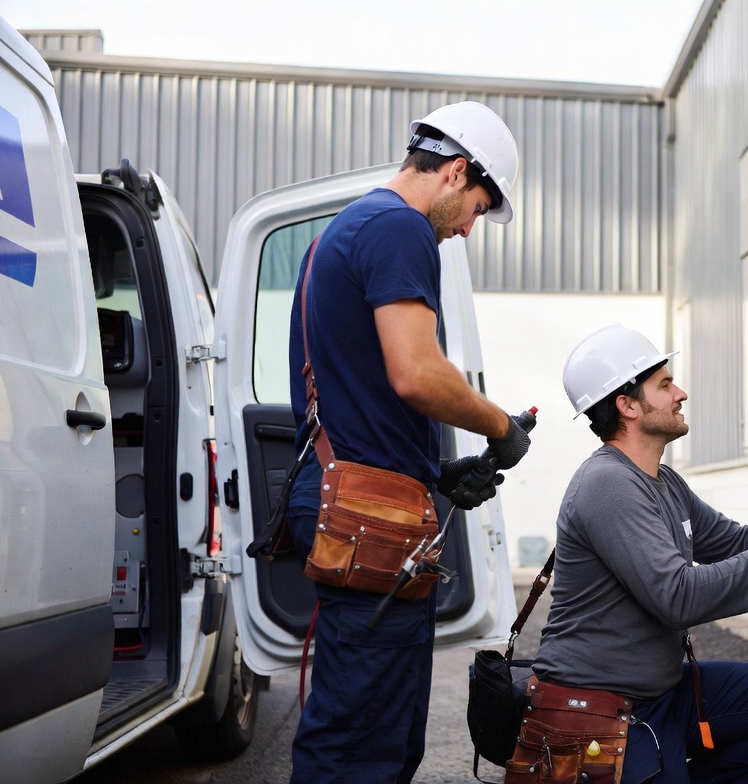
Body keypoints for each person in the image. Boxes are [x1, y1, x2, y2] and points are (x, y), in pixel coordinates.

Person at [285, 101, 532, 783]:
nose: (468, 229)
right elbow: (417, 373)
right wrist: (501, 427)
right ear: (456, 171)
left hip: (358, 498)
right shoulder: (400, 228)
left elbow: (361, 390)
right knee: (363, 746)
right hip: (369, 518)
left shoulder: (346, 229)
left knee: (377, 731)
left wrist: (436, 473)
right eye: (477, 208)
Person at [531, 323, 748, 784]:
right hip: (603, 706)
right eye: (665, 385)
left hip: (663, 691)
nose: (681, 394)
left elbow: (733, 541)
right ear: (627, 405)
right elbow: (677, 597)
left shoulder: (664, 481)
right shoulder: (607, 483)